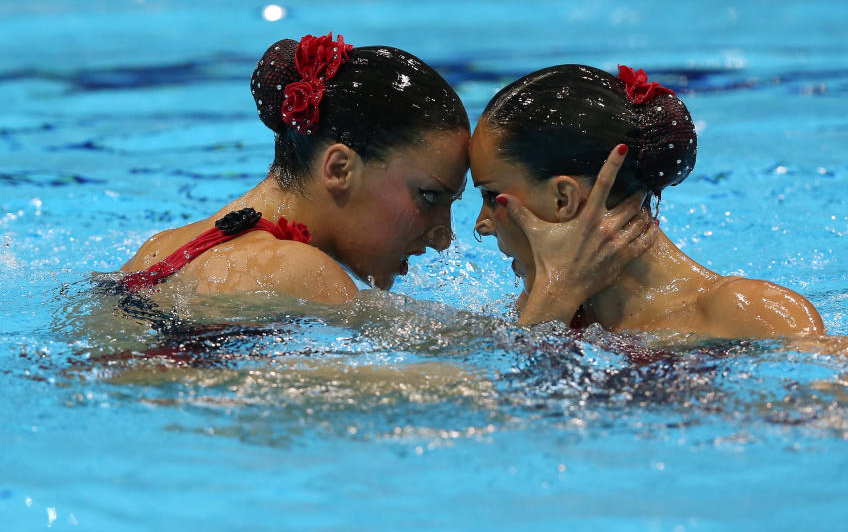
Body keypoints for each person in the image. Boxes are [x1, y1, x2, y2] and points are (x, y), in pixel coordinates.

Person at [119, 33, 654, 321]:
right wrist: (558, 295)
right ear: (339, 169)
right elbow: (475, 400)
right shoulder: (292, 271)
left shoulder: (162, 249)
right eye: (428, 197)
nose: (445, 237)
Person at [469, 63, 848, 357]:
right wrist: (554, 300)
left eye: (491, 195)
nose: (482, 225)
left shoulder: (745, 313)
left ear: (564, 199)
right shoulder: (544, 311)